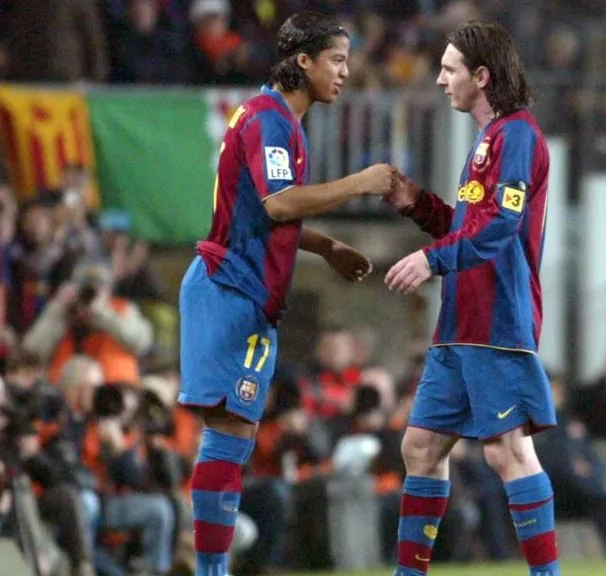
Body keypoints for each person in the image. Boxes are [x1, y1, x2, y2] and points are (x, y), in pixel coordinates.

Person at [176, 11, 398, 576]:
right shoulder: (271, 121)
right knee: (229, 433)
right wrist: (358, 183)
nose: (346, 72)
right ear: (304, 61)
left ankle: (211, 568)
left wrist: (324, 247)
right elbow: (278, 205)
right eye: (338, 60)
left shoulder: (280, 121)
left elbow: (265, 212)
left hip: (246, 293)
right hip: (228, 288)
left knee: (237, 435)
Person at [382, 21, 559, 576]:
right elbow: (468, 225)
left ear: (481, 76)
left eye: (449, 69)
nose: (438, 80)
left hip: (498, 320)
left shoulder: (518, 137)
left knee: (506, 452)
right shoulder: (488, 141)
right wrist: (417, 205)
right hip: (460, 323)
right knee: (421, 448)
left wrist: (430, 260)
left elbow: (500, 228)